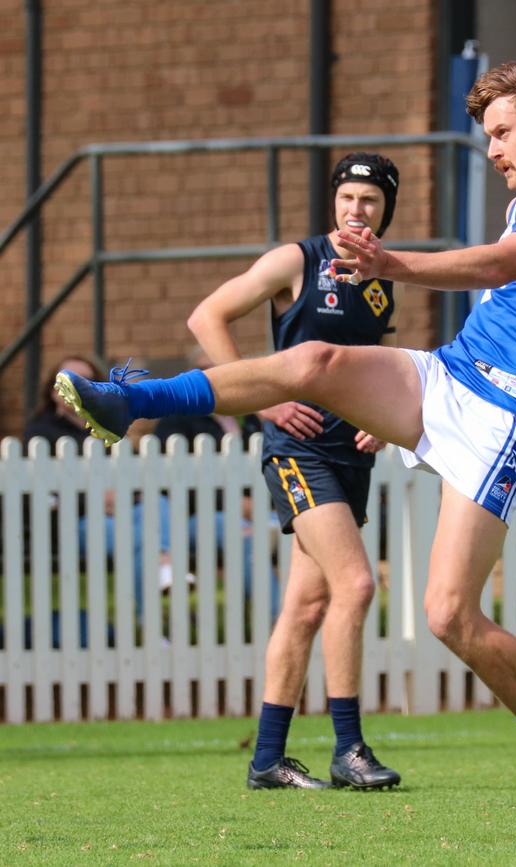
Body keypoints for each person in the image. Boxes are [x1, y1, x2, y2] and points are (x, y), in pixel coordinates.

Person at [54, 63, 516, 858]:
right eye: (486, 137)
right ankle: (132, 403)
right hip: (453, 373)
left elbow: (511, 269)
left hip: (508, 417)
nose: (494, 150)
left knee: (449, 615)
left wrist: (396, 265)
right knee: (317, 363)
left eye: (502, 132)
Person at [185, 152, 403, 791]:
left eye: (369, 201)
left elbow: (371, 364)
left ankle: (266, 761)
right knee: (356, 584)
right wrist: (263, 398)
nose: (356, 210)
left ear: (386, 209)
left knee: (307, 605)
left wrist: (382, 419)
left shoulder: (380, 275)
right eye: (347, 198)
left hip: (350, 453)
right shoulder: (296, 261)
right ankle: (349, 750)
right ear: (333, 201)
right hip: (298, 449)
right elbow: (206, 317)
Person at [25, 355, 180, 624]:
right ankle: (153, 608)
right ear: (52, 390)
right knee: (135, 538)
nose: (76, 386)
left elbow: (131, 474)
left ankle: (161, 567)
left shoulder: (110, 427)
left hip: (123, 511)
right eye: (67, 380)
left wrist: (126, 497)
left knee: (157, 504)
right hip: (77, 522)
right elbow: (43, 494)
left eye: (86, 380)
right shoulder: (40, 434)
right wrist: (97, 502)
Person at [153, 351, 281, 621]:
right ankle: (276, 619)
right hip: (194, 518)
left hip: (257, 511)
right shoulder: (176, 420)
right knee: (245, 536)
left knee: (300, 530)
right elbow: (172, 485)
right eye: (202, 371)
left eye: (218, 369)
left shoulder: (250, 419)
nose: (212, 377)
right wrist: (234, 504)